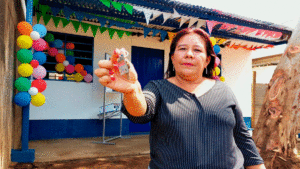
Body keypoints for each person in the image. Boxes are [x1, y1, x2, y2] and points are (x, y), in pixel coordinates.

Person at [94, 27, 266, 169]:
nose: (189, 54)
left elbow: (243, 137)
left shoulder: (224, 90)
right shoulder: (158, 88)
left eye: (197, 50)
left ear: (207, 60)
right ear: (173, 58)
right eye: (182, 49)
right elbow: (141, 112)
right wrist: (132, 91)